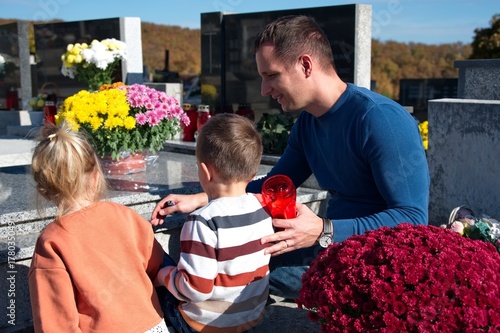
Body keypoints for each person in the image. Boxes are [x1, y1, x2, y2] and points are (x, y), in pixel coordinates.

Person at [151, 15, 430, 300]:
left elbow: (413, 219)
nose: (264, 90)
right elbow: (274, 185)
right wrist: (202, 197)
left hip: (375, 262)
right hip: (333, 248)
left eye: (271, 75)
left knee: (240, 271)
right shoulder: (308, 123)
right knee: (234, 261)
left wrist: (326, 229)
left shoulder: (381, 120)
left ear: (305, 65)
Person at [28, 123, 168, 332]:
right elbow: (156, 265)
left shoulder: (51, 242)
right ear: (95, 176)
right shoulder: (126, 216)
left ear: (44, 190)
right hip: (154, 325)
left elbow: (55, 323)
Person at [154, 113, 274, 333]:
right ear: (253, 172)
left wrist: (164, 276)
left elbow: (196, 290)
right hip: (251, 318)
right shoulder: (263, 208)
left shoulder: (202, 221)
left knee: (157, 262)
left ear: (206, 172)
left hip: (206, 326)